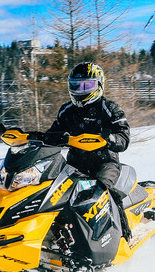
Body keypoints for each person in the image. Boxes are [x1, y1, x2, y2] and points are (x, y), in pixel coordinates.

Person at [42, 62, 133, 239]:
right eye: (76, 85)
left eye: (87, 85)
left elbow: (124, 138)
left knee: (104, 191)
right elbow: (52, 133)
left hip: (105, 162)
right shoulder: (67, 110)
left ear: (99, 84)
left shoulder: (110, 108)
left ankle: (123, 235)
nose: (81, 90)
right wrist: (51, 138)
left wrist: (110, 138)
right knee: (52, 193)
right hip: (74, 163)